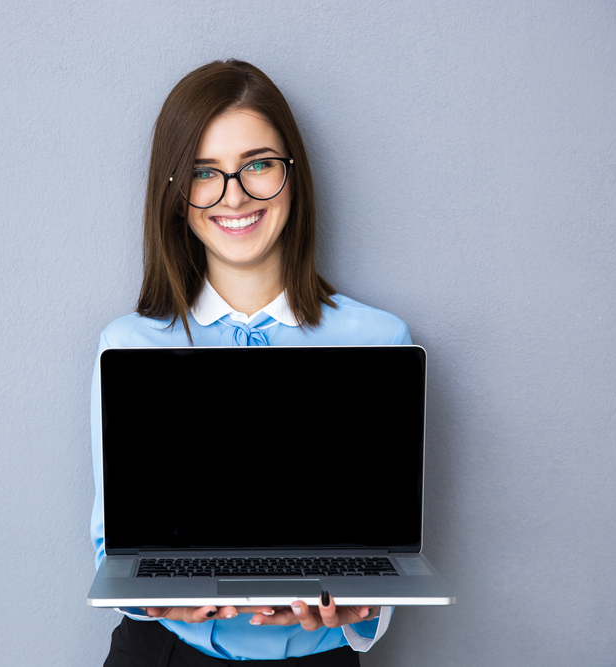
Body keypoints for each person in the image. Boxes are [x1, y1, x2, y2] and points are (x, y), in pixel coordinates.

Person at [91, 60, 412, 666]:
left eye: (258, 164)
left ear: (293, 175)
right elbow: (113, 548)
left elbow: (391, 546)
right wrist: (155, 599)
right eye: (204, 173)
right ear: (176, 193)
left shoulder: (379, 339)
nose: (233, 195)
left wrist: (364, 608)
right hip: (161, 656)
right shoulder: (129, 346)